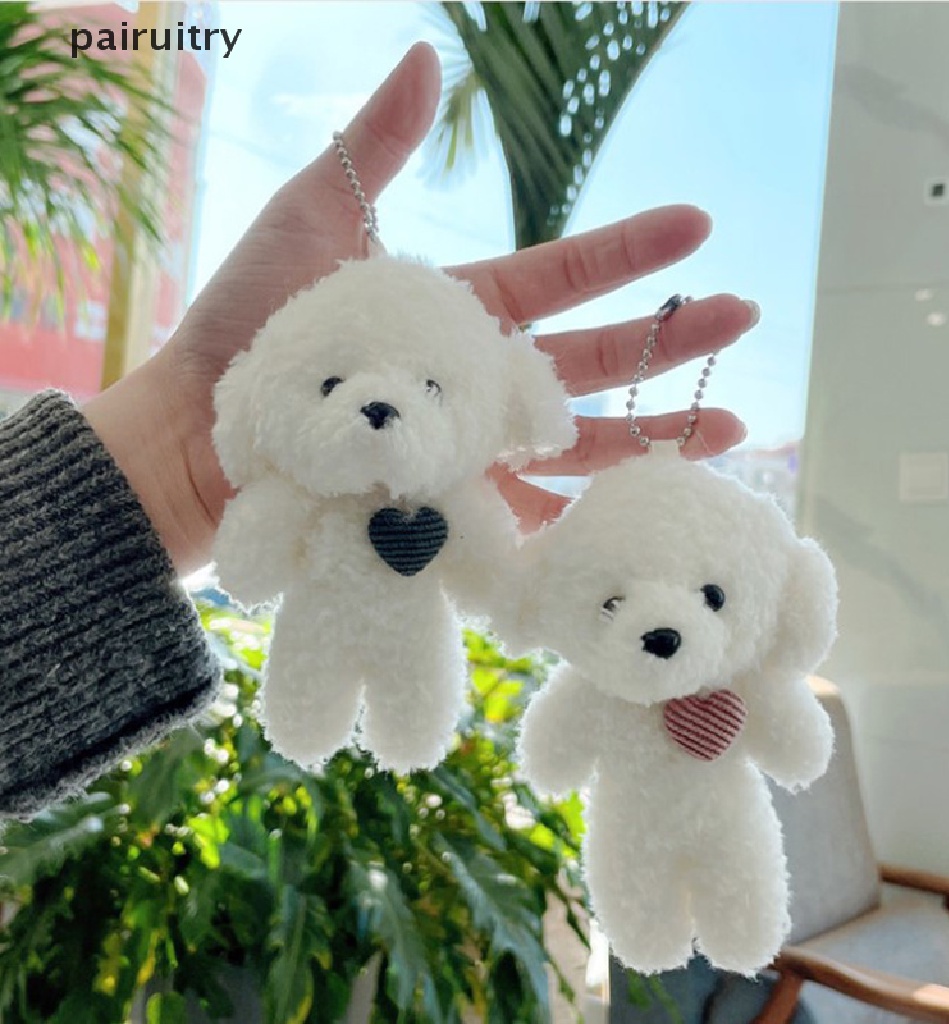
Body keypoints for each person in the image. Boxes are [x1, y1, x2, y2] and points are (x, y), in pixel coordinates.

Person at [0, 43, 758, 817]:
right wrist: (194, 474)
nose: (378, 407)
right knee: (307, 687)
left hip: (414, 630)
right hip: (314, 620)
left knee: (416, 695)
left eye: (430, 388)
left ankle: (407, 730)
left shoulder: (455, 501)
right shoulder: (298, 485)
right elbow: (255, 550)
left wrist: (511, 595)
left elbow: (490, 570)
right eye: (333, 384)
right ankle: (321, 721)